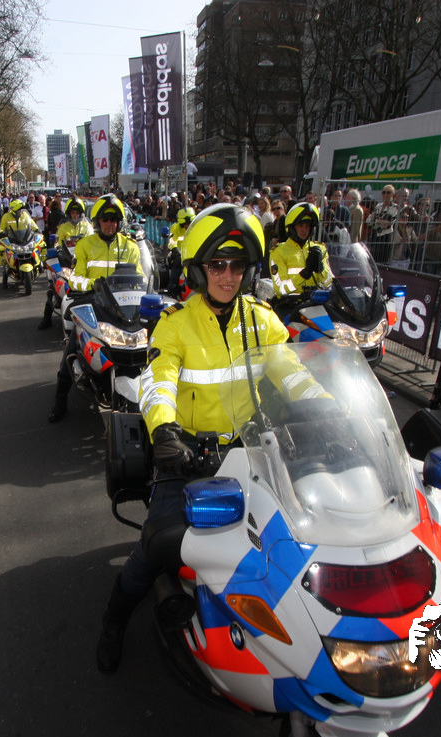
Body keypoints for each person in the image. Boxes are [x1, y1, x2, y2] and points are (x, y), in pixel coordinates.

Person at [95, 204, 292, 674]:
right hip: (186, 453)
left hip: (248, 451)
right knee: (156, 545)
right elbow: (158, 382)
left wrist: (329, 409)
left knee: (289, 536)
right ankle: (113, 622)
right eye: (217, 265)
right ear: (200, 270)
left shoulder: (263, 321)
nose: (228, 276)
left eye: (237, 266)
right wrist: (164, 432)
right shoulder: (176, 323)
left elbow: (293, 373)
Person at [46, 195, 143, 422]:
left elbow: (141, 277)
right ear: (98, 221)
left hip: (125, 308)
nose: (110, 223)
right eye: (105, 219)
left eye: (114, 219)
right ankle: (60, 402)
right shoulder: (85, 245)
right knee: (71, 351)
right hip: (93, 303)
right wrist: (93, 284)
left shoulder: (130, 247)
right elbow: (75, 278)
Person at [38, 197, 92, 330]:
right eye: (73, 213)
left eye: (77, 213)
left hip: (84, 262)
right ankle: (46, 319)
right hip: (67, 262)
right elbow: (58, 243)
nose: (75, 215)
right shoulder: (63, 227)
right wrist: (57, 249)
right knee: (53, 288)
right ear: (69, 214)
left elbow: (93, 243)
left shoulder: (87, 227)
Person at [269, 202, 329, 296]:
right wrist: (304, 274)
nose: (304, 230)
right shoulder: (279, 252)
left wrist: (320, 269)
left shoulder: (320, 249)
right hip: (291, 302)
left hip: (316, 301)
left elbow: (329, 284)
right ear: (292, 228)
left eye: (307, 226)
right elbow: (280, 289)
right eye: (300, 226)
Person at [0, 199, 40, 277]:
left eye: (22, 209)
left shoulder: (25, 215)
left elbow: (31, 223)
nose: (21, 211)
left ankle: (38, 265)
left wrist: (37, 229)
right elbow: (1, 227)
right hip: (12, 238)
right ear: (14, 210)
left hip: (25, 238)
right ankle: (9, 266)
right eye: (19, 209)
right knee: (7, 251)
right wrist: (1, 233)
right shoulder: (6, 216)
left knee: (38, 246)